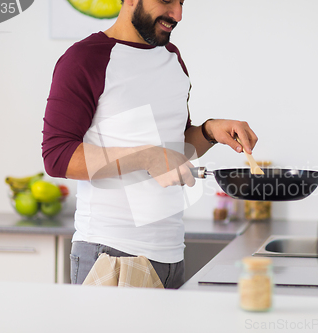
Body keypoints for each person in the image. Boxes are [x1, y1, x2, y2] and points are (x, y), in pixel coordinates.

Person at [42, 0, 258, 288]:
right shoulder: (86, 59)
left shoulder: (172, 58)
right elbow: (57, 156)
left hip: (171, 255)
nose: (178, 14)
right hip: (111, 254)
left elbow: (171, 151)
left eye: (182, 3)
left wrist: (208, 131)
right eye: (167, 1)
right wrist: (145, 157)